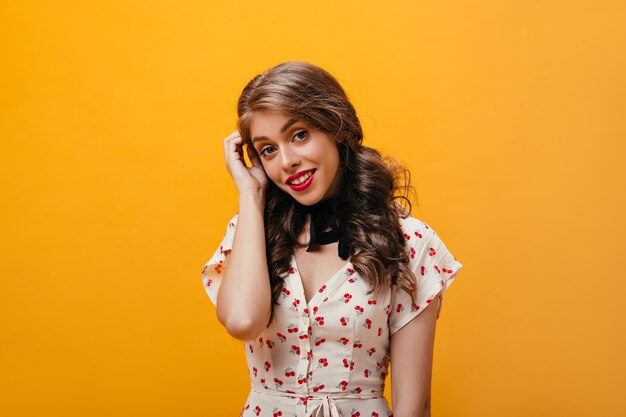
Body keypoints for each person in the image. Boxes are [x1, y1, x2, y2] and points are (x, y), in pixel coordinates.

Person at [201, 61, 464, 417]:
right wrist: (250, 195)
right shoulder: (249, 231)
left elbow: (414, 406)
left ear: (335, 126)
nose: (287, 161)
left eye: (299, 135)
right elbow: (243, 321)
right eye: (268, 150)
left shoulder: (410, 242)